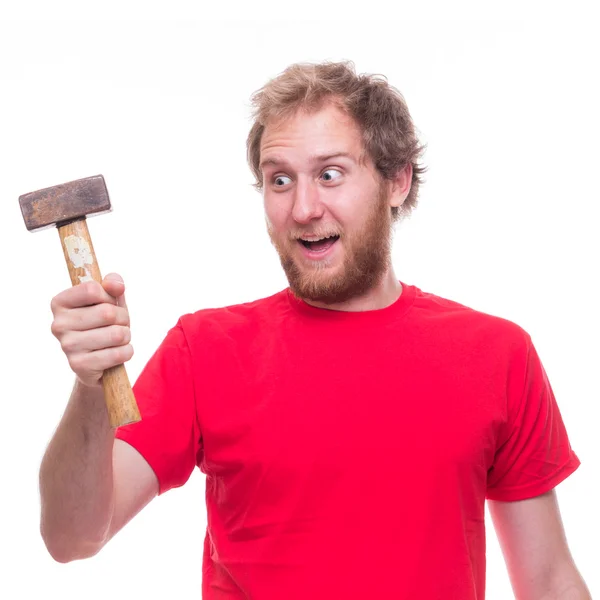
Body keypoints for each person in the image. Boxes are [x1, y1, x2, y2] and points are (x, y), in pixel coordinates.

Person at [39, 61, 590, 599]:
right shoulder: (204, 350)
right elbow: (72, 536)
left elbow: (547, 582)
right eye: (280, 179)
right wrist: (91, 386)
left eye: (330, 174)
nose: (303, 207)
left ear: (396, 181)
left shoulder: (498, 354)